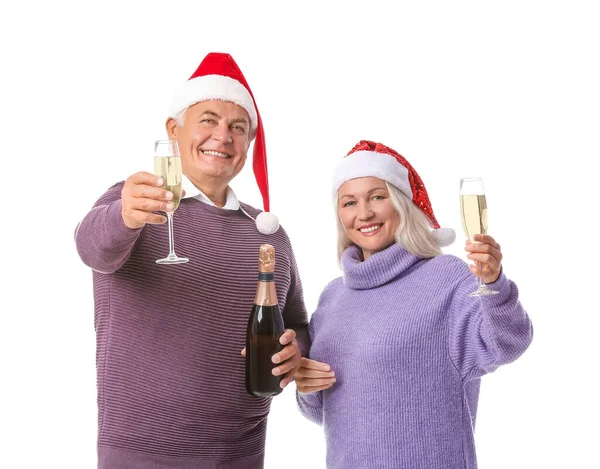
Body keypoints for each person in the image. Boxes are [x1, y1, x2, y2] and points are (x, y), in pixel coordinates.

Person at [74, 52, 309, 469]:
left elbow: (297, 324)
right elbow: (92, 248)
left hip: (241, 453)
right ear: (173, 129)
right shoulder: (134, 201)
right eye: (208, 119)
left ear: (248, 144)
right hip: (143, 453)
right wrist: (123, 216)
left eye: (238, 127)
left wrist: (296, 350)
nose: (223, 136)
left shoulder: (268, 233)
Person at [295, 140, 533, 469]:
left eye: (377, 196)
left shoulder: (446, 277)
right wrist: (306, 386)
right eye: (350, 202)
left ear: (402, 204)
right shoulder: (333, 297)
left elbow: (507, 344)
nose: (364, 213)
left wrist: (494, 284)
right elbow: (323, 412)